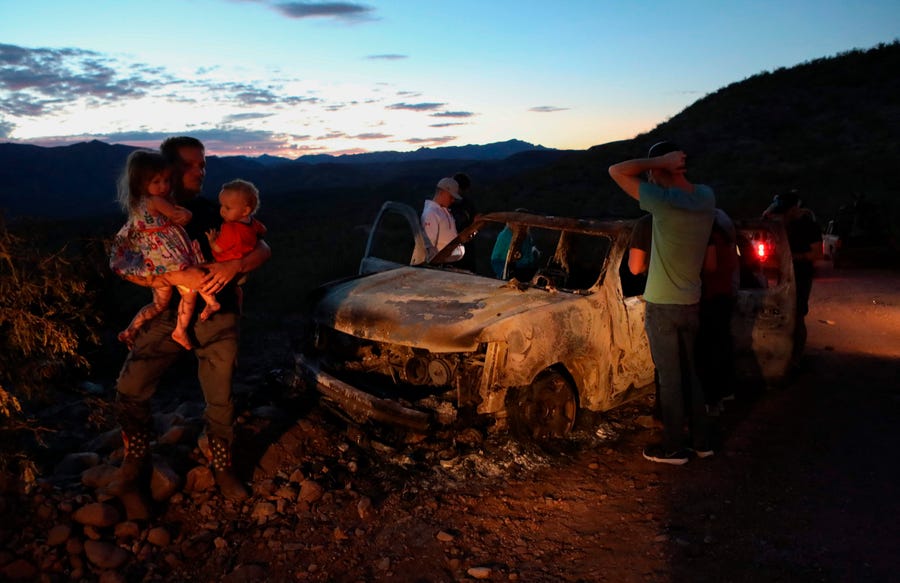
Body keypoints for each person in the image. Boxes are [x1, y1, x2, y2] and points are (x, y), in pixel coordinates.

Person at [111, 137, 271, 514]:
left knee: (221, 393)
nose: (200, 172)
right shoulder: (146, 215)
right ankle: (135, 467)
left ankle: (222, 466)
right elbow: (121, 263)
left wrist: (234, 266)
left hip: (219, 312)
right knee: (131, 386)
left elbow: (263, 247)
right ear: (165, 171)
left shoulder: (215, 210)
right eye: (191, 165)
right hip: (170, 313)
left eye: (203, 165)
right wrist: (165, 279)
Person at [609, 141, 716, 465]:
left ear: (659, 172)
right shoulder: (706, 197)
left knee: (669, 378)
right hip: (691, 301)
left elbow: (616, 171)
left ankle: (673, 447)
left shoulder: (663, 204)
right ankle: (702, 441)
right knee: (692, 374)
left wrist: (657, 161)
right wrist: (667, 165)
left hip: (662, 305)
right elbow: (710, 265)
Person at [110, 150, 219, 351]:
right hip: (169, 255)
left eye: (166, 181)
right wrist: (185, 213)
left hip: (154, 262)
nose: (164, 186)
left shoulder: (137, 203)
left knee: (159, 304)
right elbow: (180, 217)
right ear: (141, 183)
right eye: (157, 182)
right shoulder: (155, 200)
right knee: (189, 290)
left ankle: (130, 329)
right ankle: (181, 329)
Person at [765, 190, 822, 366]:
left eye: (786, 211)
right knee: (782, 313)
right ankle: (785, 352)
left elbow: (817, 253)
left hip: (802, 275)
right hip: (785, 274)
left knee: (797, 314)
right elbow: (764, 217)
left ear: (795, 209)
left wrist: (791, 258)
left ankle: (796, 357)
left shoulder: (809, 224)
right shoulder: (785, 222)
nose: (783, 215)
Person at [697, 209, 740, 413]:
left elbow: (710, 268)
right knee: (722, 346)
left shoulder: (710, 238)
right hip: (724, 296)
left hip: (711, 298)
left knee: (709, 351)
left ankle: (712, 400)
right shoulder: (726, 239)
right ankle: (725, 392)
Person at [205, 179, 267, 311]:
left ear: (245, 211)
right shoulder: (253, 222)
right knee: (235, 287)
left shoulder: (230, 228)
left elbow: (218, 248)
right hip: (244, 266)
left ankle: (210, 305)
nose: (221, 210)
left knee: (205, 282)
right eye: (221, 205)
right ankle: (237, 295)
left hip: (225, 264)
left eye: (227, 207)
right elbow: (262, 231)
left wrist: (212, 240)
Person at [421, 177, 465, 263]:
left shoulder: (444, 210)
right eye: (451, 197)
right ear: (442, 192)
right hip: (440, 266)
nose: (453, 200)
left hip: (449, 263)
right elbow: (429, 249)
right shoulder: (431, 213)